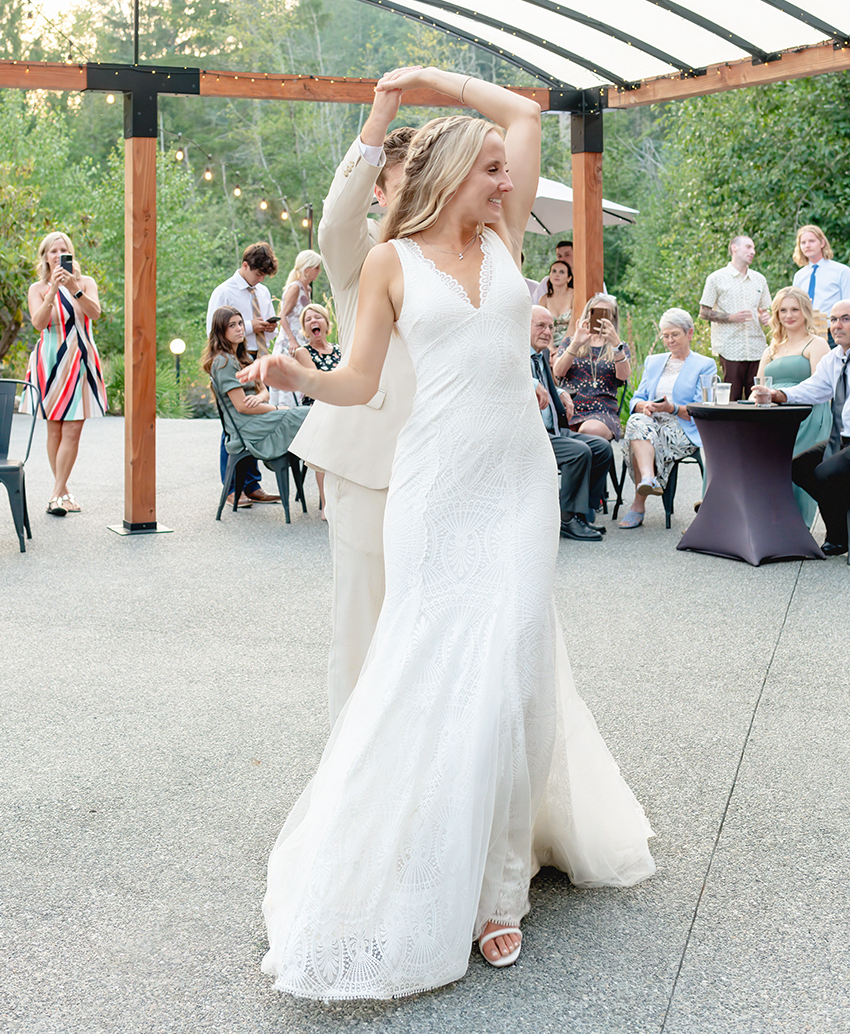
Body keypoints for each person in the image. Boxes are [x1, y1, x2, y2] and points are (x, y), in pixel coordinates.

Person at [242, 66, 654, 1000]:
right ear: (454, 174)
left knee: (512, 667)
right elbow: (360, 382)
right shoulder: (389, 262)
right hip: (433, 488)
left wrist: (430, 80)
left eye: (506, 170)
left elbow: (522, 109)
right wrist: (295, 373)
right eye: (494, 172)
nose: (509, 183)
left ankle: (499, 889)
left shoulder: (505, 239)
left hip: (518, 484)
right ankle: (416, 855)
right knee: (425, 665)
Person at [288, 85, 417, 728]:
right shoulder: (357, 251)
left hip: (443, 460)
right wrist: (377, 124)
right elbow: (335, 220)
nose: (420, 194)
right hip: (368, 457)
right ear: (380, 191)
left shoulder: (453, 256)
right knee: (363, 615)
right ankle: (354, 758)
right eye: (404, 182)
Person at [754, 299, 850, 557]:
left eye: (845, 318)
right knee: (799, 467)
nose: (837, 325)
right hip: (843, 439)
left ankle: (840, 534)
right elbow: (813, 388)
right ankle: (842, 535)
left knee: (825, 472)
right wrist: (778, 394)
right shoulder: (834, 358)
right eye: (833, 319)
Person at [24, 231, 107, 515]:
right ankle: (63, 492)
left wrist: (74, 289)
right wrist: (52, 293)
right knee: (55, 429)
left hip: (80, 359)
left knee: (73, 429)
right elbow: (38, 323)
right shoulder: (37, 288)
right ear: (45, 257)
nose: (58, 255)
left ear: (71, 254)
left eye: (63, 250)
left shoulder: (85, 282)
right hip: (49, 362)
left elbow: (95, 314)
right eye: (52, 251)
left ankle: (55, 495)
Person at [619, 308, 716, 529]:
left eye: (675, 335)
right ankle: (648, 478)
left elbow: (702, 408)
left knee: (639, 433)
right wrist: (646, 406)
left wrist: (671, 408)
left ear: (689, 333)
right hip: (651, 421)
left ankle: (638, 504)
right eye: (665, 335)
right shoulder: (654, 361)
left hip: (683, 426)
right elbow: (636, 400)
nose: (669, 340)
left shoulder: (704, 364)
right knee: (636, 422)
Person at [206, 242, 281, 506]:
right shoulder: (224, 292)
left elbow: (267, 322)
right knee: (234, 424)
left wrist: (268, 327)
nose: (260, 280)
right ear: (245, 265)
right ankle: (231, 487)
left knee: (255, 419)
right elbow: (213, 330)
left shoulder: (263, 291)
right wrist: (249, 326)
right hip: (233, 359)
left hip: (257, 357)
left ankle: (252, 485)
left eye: (264, 276)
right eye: (257, 274)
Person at [530, 306, 611, 541]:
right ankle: (566, 518)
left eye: (550, 327)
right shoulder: (515, 358)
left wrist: (559, 390)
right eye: (540, 326)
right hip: (532, 435)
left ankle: (582, 513)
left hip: (554, 430)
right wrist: (531, 382)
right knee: (578, 452)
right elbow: (514, 378)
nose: (547, 332)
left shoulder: (541, 355)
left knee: (601, 448)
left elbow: (543, 384)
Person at [752, 287, 830, 526]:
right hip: (773, 415)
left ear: (805, 312)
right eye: (783, 310)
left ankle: (797, 524)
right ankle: (764, 517)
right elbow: (760, 385)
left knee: (796, 461)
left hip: (807, 413)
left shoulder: (817, 344)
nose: (789, 315)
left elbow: (821, 387)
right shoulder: (771, 348)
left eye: (794, 309)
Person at [202, 306, 308, 470]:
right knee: (306, 414)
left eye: (240, 323)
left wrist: (259, 398)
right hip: (246, 427)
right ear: (220, 331)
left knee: (306, 415)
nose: (239, 329)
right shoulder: (224, 362)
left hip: (257, 418)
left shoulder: (243, 358)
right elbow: (242, 406)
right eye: (232, 325)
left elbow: (265, 391)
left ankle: (308, 461)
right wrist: (277, 408)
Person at [699, 235, 772, 402]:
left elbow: (763, 310)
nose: (753, 252)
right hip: (730, 348)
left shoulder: (759, 279)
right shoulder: (716, 278)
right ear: (734, 248)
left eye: (753, 248)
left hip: (757, 348)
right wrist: (731, 317)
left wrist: (765, 317)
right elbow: (704, 312)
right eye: (748, 247)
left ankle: (757, 429)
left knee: (758, 398)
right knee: (731, 400)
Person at [553, 291, 631, 441]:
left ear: (613, 319)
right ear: (587, 315)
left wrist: (615, 345)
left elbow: (623, 376)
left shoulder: (619, 347)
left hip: (602, 410)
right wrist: (576, 344)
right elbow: (558, 371)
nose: (600, 319)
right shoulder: (570, 342)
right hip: (569, 408)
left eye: (605, 314)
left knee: (588, 431)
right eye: (595, 313)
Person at [293, 303, 341, 517]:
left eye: (318, 317)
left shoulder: (340, 349)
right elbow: (317, 380)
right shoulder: (303, 352)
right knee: (326, 445)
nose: (314, 321)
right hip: (316, 407)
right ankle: (326, 504)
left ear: (326, 323)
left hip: (341, 405)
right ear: (305, 328)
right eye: (308, 319)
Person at [269, 250, 322, 408]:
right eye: (316, 268)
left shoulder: (307, 289)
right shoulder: (295, 288)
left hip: (301, 340)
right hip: (290, 341)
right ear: (307, 269)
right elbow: (282, 315)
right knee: (288, 385)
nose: (319, 271)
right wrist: (292, 340)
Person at [791, 225, 850, 344]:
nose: (807, 245)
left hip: (833, 332)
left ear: (822, 243)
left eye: (811, 241)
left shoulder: (842, 271)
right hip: (807, 332)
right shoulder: (799, 276)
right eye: (803, 242)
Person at [537, 258, 574, 345]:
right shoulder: (543, 300)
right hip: (548, 343)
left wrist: (562, 349)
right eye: (554, 271)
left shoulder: (575, 296)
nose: (557, 275)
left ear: (569, 278)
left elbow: (574, 324)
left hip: (571, 344)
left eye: (561, 272)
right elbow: (543, 328)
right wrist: (550, 349)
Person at [530, 238, 573, 302]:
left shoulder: (583, 281)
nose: (562, 259)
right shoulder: (547, 281)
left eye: (567, 255)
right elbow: (535, 305)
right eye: (559, 256)